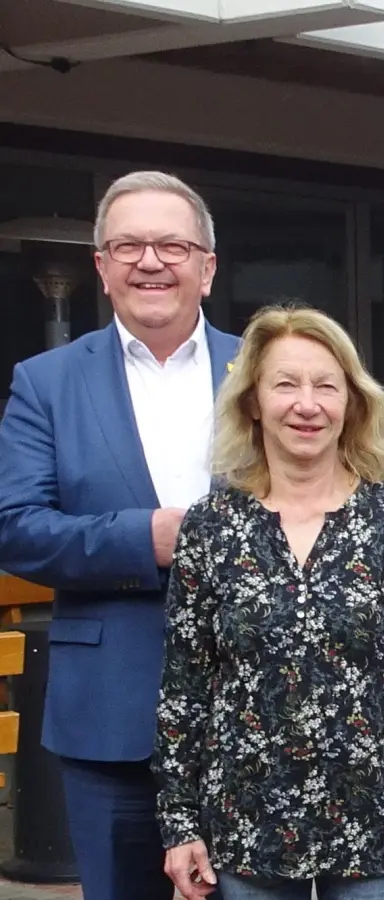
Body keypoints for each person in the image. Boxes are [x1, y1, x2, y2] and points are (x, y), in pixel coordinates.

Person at [153, 306, 384, 900]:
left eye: (326, 385)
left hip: (376, 826)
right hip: (243, 827)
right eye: (285, 384)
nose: (307, 404)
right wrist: (179, 822)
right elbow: (184, 685)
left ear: (352, 402)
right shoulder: (212, 527)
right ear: (252, 403)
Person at [0, 171, 241, 900]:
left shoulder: (268, 369)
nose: (150, 261)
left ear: (207, 266)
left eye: (172, 244)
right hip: (111, 711)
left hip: (260, 705)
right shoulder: (45, 382)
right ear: (101, 268)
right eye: (128, 245)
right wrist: (147, 538)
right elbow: (16, 530)